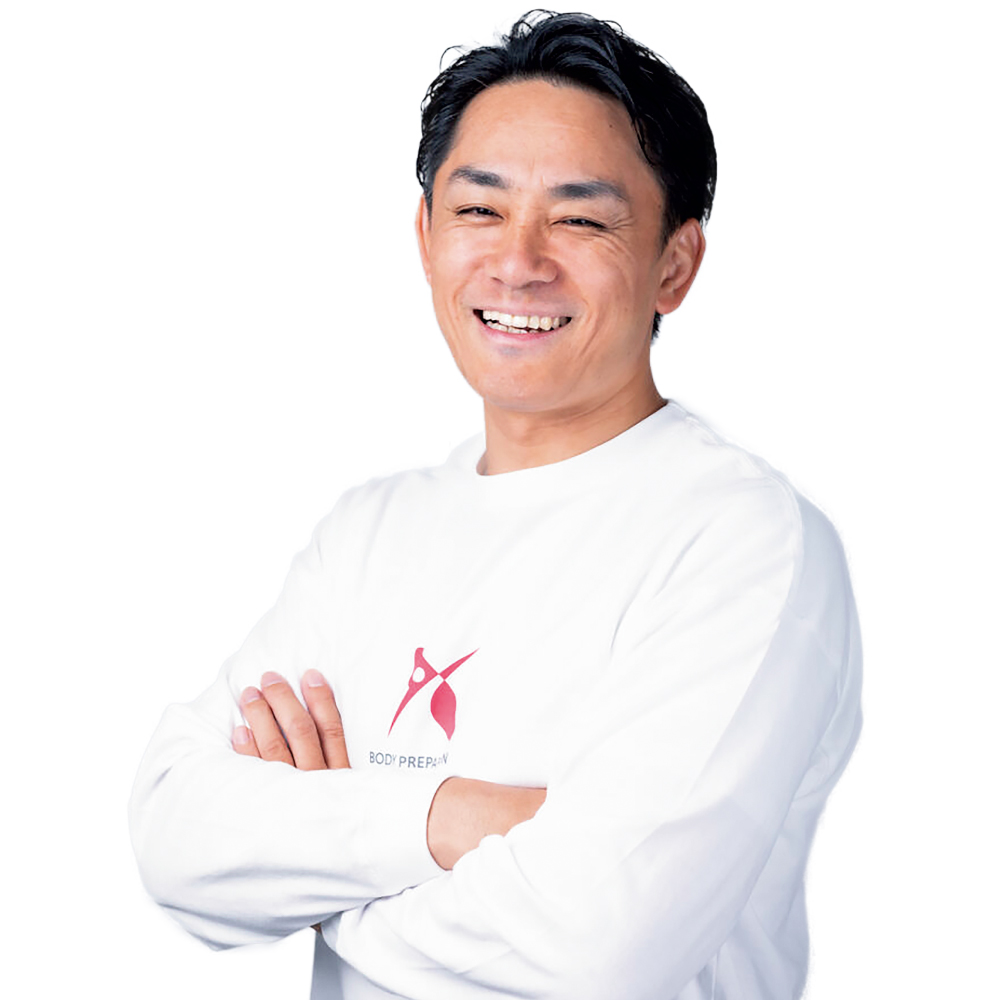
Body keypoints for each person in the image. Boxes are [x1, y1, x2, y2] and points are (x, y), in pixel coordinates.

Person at [129, 10, 862, 999]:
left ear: (674, 264)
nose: (518, 262)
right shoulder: (369, 533)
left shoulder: (742, 541)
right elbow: (174, 833)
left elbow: (598, 944)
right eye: (479, 209)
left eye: (581, 219)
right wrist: (455, 818)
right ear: (425, 235)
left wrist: (315, 868)